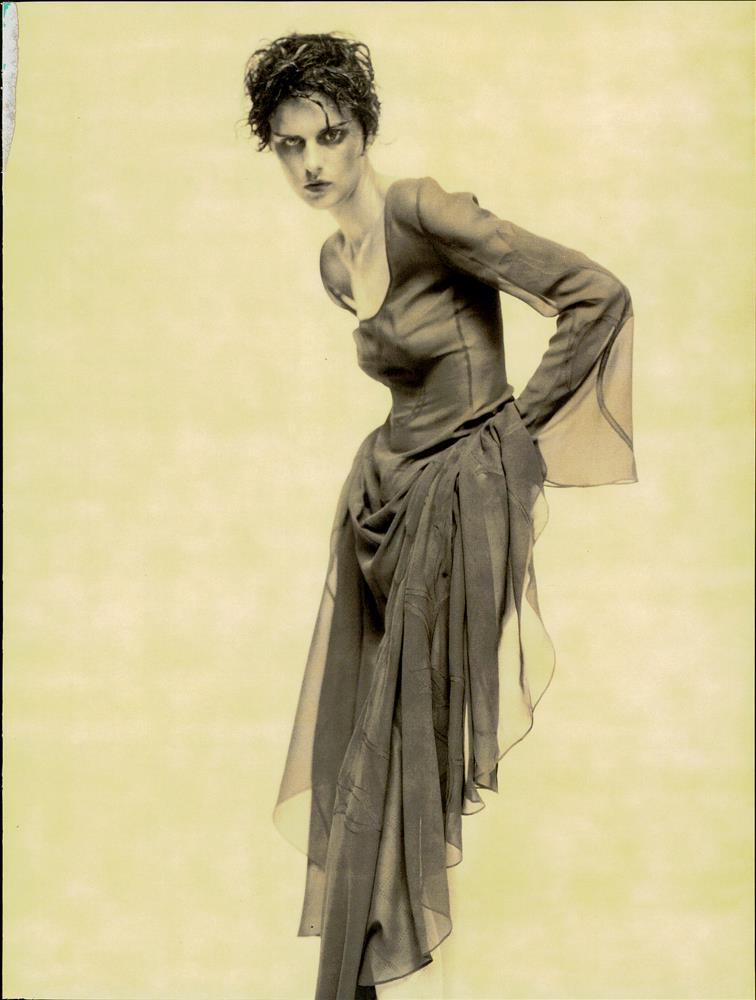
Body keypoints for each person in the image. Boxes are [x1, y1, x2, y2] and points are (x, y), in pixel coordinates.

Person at [244, 31, 636, 1000]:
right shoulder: (335, 264)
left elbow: (595, 296)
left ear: (364, 129)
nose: (312, 162)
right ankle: (356, 983)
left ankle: (351, 983)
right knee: (355, 754)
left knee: (391, 756)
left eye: (329, 135)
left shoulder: (423, 210)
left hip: (459, 505)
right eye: (290, 145)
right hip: (379, 506)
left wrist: (508, 439)